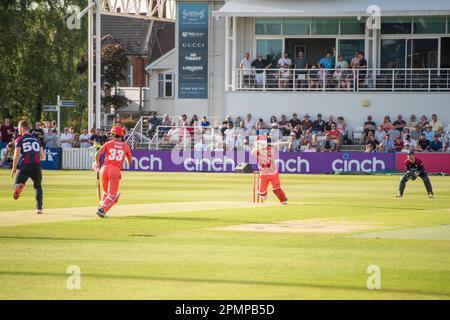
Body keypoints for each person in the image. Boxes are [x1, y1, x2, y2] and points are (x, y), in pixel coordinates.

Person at [93, 126, 132, 218]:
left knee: (106, 192)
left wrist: (97, 164)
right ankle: (102, 209)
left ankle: (101, 205)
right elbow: (129, 162)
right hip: (114, 170)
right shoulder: (125, 146)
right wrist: (125, 157)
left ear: (113, 134)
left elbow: (97, 154)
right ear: (121, 135)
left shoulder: (108, 143)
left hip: (104, 169)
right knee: (113, 195)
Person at [11, 120, 45, 214]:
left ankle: (19, 185)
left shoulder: (19, 139)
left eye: (18, 127)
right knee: (38, 186)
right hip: (37, 166)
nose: (18, 129)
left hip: (26, 165)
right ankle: (39, 208)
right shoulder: (36, 139)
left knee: (17, 183)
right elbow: (42, 156)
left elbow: (17, 154)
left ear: (22, 128)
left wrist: (14, 168)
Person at [251, 135, 288, 205]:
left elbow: (267, 153)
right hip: (263, 174)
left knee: (277, 189)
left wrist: (262, 147)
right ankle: (265, 194)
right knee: (261, 192)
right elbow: (252, 152)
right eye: (257, 143)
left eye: (259, 143)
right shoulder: (256, 151)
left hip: (273, 173)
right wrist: (259, 147)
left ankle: (284, 201)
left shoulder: (270, 149)